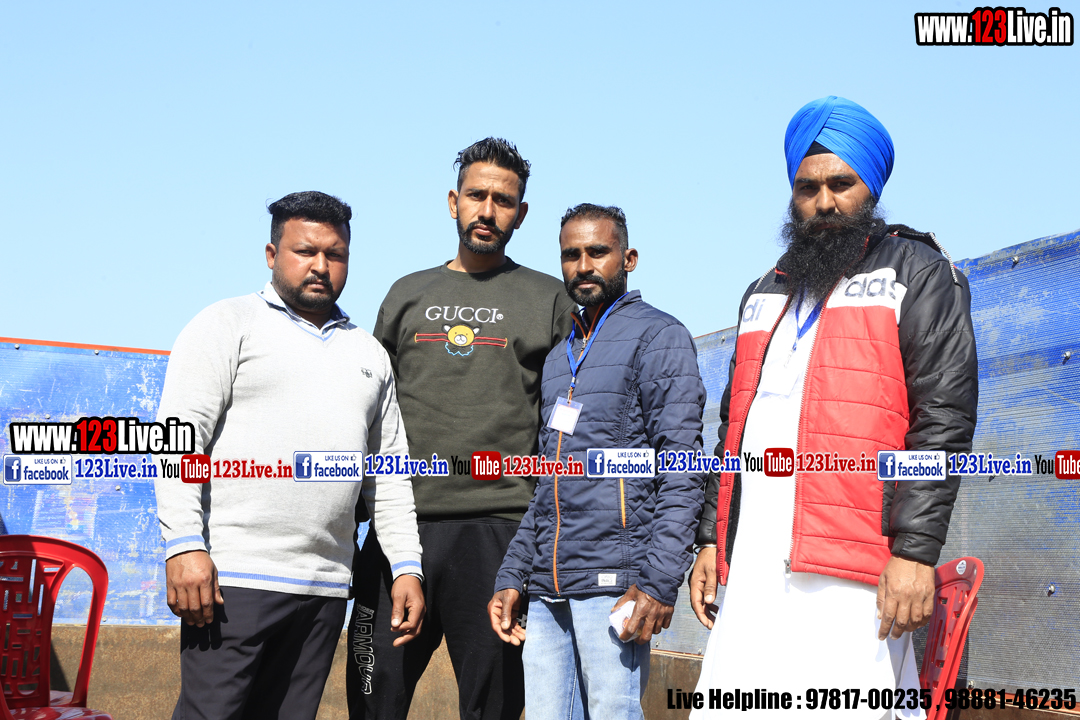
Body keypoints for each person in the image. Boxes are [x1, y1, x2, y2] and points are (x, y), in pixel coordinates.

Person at [687, 97, 979, 719]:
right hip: (755, 561)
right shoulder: (763, 291)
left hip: (856, 566)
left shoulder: (919, 273)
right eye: (807, 187)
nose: (823, 202)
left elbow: (943, 420)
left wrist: (914, 553)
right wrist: (711, 539)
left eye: (841, 184)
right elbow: (731, 431)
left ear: (870, 187)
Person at [154, 191, 425, 720]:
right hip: (232, 580)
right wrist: (183, 546)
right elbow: (177, 440)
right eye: (305, 251)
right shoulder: (227, 323)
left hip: (325, 589)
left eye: (335, 254)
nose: (321, 265)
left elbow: (390, 476)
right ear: (272, 254)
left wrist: (406, 568)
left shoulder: (369, 354)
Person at [347, 138, 577, 720]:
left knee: (494, 706)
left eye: (504, 200)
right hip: (401, 527)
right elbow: (367, 411)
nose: (487, 210)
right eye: (476, 195)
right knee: (372, 698)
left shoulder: (549, 298)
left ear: (521, 213)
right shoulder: (406, 293)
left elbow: (567, 418)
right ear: (453, 202)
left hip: (502, 530)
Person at [489, 203, 706, 720]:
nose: (583, 265)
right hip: (548, 590)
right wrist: (513, 573)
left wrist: (658, 581)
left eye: (597, 252)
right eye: (571, 254)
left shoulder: (659, 336)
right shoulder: (558, 358)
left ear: (628, 259)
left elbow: (683, 467)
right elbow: (547, 485)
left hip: (615, 585)